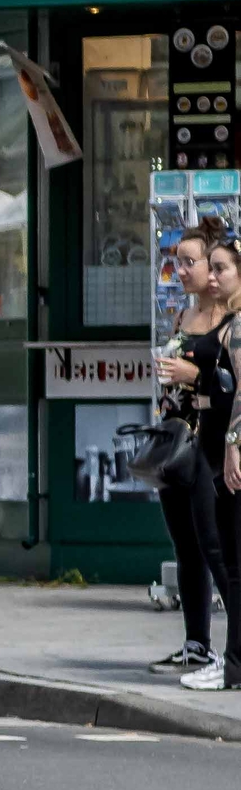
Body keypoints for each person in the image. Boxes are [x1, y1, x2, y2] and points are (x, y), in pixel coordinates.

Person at [154, 233, 240, 688]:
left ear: (212, 268)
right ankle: (196, 643)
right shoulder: (183, 316)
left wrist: (195, 375)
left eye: (189, 261)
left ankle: (234, 653)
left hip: (210, 445)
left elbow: (230, 384)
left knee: (217, 548)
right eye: (177, 261)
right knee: (187, 548)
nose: (181, 270)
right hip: (178, 443)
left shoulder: (230, 321)